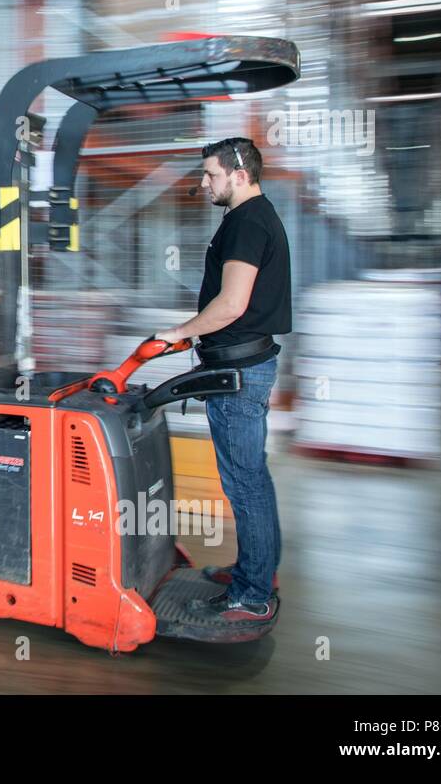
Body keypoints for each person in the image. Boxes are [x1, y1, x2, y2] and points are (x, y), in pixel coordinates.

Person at [154, 137, 291, 626]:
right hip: (241, 366)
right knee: (252, 479)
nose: (203, 183)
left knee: (245, 484)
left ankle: (250, 594)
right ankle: (257, 573)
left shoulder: (248, 223)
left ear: (238, 173)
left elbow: (232, 305)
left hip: (238, 375)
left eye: (210, 174)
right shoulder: (251, 218)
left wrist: (177, 334)